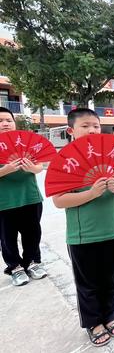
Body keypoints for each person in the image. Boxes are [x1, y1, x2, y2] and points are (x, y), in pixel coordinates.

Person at [53, 108, 114, 346]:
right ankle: (93, 321)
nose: (92, 130)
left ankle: (110, 314)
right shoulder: (64, 160)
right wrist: (91, 193)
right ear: (70, 130)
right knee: (88, 282)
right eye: (85, 126)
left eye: (96, 126)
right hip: (83, 233)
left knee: (111, 277)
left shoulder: (113, 154)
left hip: (113, 227)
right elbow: (59, 200)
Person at [0, 107, 47, 286]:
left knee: (33, 233)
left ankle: (33, 262)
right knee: (7, 237)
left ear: (14, 123)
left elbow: (39, 167)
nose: (5, 123)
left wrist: (30, 168)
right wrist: (6, 170)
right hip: (4, 201)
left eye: (8, 120)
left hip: (30, 196)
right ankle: (15, 267)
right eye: (0, 121)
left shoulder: (26, 141)